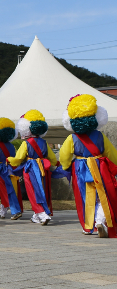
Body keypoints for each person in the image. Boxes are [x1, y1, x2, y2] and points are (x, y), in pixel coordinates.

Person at [58, 94, 117, 238]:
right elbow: (112, 154)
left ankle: (88, 226)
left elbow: (64, 157)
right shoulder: (100, 136)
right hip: (99, 168)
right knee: (102, 196)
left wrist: (66, 167)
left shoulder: (71, 138)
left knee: (84, 197)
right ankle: (100, 221)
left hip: (80, 169)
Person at [8, 110, 57, 225]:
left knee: (33, 192)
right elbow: (53, 159)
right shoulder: (45, 143)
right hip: (43, 169)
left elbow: (18, 159)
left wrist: (8, 159)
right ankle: (36, 216)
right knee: (41, 190)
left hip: (31, 169)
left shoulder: (26, 143)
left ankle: (43, 215)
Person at [0, 118, 23, 220]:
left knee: (5, 191)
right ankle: (3, 211)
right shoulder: (12, 146)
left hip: (1, 170)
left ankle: (15, 210)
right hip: (11, 169)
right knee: (11, 189)